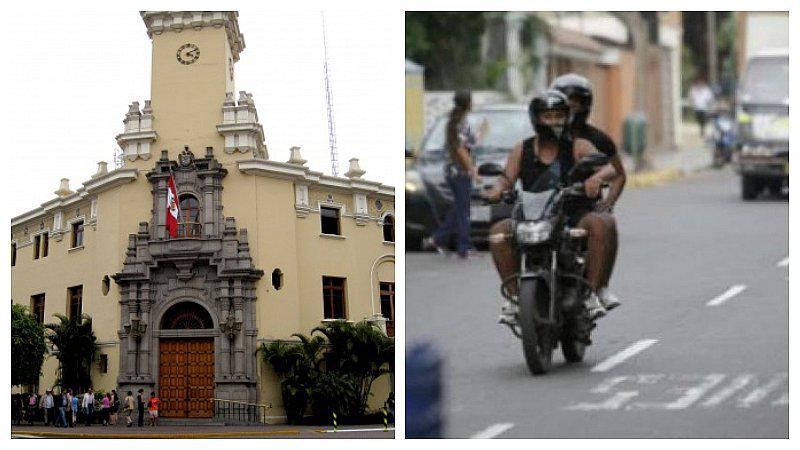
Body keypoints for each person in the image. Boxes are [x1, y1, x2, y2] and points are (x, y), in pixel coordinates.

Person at [486, 90, 619, 327]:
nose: (554, 122)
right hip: (532, 214)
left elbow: (609, 169)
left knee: (600, 223)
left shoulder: (578, 146)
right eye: (548, 116)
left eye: (559, 116)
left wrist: (596, 178)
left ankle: (590, 294)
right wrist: (496, 190)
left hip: (572, 214)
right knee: (498, 233)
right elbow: (506, 179)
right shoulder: (522, 149)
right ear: (537, 119)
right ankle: (515, 299)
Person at [552, 73, 624, 310]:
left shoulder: (596, 140)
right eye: (565, 100)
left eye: (576, 101)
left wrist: (607, 200)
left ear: (586, 104)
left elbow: (617, 172)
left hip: (581, 208)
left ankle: (598, 288)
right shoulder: (540, 138)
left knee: (606, 222)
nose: (571, 106)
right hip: (545, 208)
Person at [426, 90, 486, 258]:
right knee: (463, 210)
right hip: (459, 171)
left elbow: (470, 142)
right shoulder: (461, 122)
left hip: (451, 171)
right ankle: (464, 247)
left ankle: (437, 239)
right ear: (468, 103)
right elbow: (460, 149)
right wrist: (473, 171)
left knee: (459, 207)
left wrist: (481, 132)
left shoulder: (455, 121)